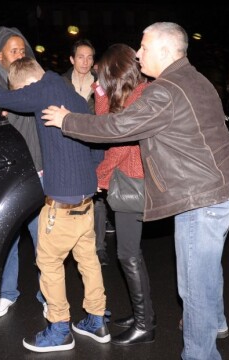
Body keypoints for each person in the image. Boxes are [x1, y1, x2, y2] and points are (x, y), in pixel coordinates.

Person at [42, 22, 229, 360]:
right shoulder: (195, 79)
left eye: (145, 47)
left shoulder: (166, 90)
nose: (138, 54)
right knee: (207, 267)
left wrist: (67, 121)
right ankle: (216, 321)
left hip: (203, 196)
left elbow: (120, 127)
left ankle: (199, 354)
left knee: (192, 283)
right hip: (227, 186)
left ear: (165, 51)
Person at [0, 57, 109, 353]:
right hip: (87, 200)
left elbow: (0, 97)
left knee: (48, 263)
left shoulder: (43, 88)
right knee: (88, 261)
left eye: (21, 92)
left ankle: (60, 328)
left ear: (27, 84)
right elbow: (95, 143)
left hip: (62, 203)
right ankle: (96, 319)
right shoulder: (72, 94)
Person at [92, 43, 155, 345]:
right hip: (129, 178)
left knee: (127, 254)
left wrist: (100, 176)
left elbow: (118, 142)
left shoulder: (141, 95)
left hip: (133, 180)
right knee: (132, 254)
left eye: (106, 77)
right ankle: (142, 315)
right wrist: (102, 95)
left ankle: (145, 325)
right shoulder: (132, 93)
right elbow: (107, 126)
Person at [0, 26, 46, 318]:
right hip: (8, 176)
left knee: (43, 240)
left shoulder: (36, 82)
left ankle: (48, 294)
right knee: (7, 237)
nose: (20, 54)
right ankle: (7, 293)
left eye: (23, 50)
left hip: (37, 171)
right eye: (14, 50)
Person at [62, 38, 113, 266]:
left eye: (90, 57)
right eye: (81, 56)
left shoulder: (103, 85)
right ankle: (75, 246)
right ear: (72, 59)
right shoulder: (61, 84)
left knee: (98, 197)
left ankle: (99, 248)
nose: (85, 61)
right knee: (73, 196)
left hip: (96, 146)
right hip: (70, 146)